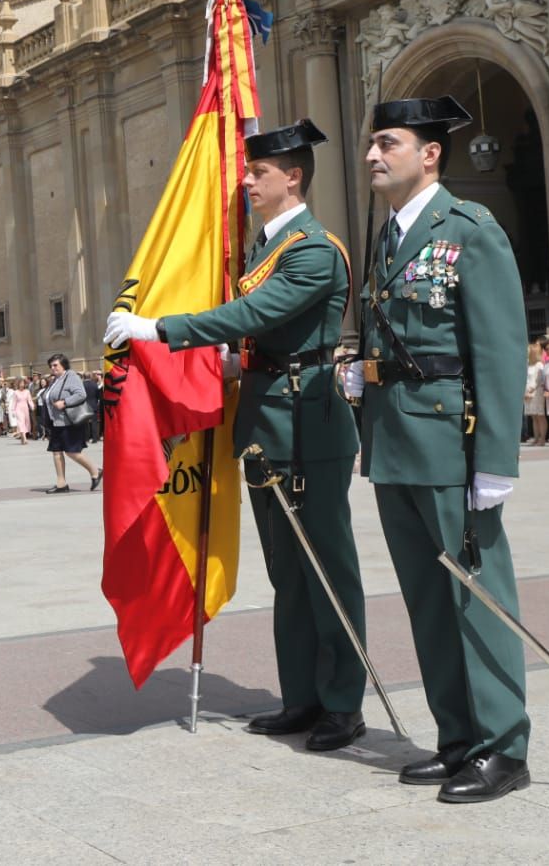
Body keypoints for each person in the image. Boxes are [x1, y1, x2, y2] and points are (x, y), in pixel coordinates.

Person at [106, 118, 370, 756]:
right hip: (265, 426)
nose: (246, 181)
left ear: (294, 177)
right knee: (287, 572)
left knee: (326, 570)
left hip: (309, 426)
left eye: (258, 173)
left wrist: (157, 329)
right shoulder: (262, 249)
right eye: (248, 171)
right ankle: (301, 695)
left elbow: (256, 313)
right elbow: (256, 332)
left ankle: (342, 704)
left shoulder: (312, 248)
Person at [341, 95, 531, 803]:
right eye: (371, 144)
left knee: (477, 597)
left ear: (429, 154)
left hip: (455, 443)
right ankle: (458, 740)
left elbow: (501, 349)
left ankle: (503, 747)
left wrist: (497, 462)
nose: (371, 155)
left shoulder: (470, 229)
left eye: (387, 143)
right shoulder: (388, 236)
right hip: (394, 442)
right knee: (427, 600)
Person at [41, 354, 102, 492]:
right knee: (56, 452)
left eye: (55, 365)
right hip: (56, 422)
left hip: (68, 421)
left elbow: (81, 394)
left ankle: (95, 471)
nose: (52, 368)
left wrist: (65, 402)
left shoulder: (71, 376)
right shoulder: (55, 380)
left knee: (72, 451)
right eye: (51, 365)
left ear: (64, 365)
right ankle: (61, 484)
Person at [522, 343, 546, 446]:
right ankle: (536, 437)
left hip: (536, 392)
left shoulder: (539, 365)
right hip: (527, 392)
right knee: (533, 416)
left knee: (540, 415)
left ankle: (542, 438)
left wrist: (531, 390)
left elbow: (540, 380)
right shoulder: (527, 364)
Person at [7, 377, 32, 446]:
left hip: (25, 409)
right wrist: (13, 411)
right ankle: (24, 438)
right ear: (18, 384)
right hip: (18, 409)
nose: (22, 384)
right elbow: (14, 402)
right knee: (21, 423)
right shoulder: (16, 392)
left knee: (25, 423)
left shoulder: (27, 391)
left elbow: (29, 400)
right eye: (20, 383)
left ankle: (22, 438)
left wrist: (32, 406)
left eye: (23, 383)